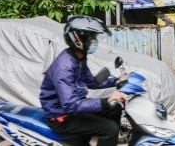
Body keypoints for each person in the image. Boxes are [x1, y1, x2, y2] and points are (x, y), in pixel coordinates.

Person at [40, 15, 127, 146]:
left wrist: (116, 81)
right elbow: (70, 104)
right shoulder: (64, 66)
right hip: (62, 117)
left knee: (115, 108)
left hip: (73, 109)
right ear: (78, 40)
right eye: (92, 38)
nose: (94, 41)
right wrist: (106, 101)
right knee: (110, 129)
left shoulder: (79, 57)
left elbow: (90, 81)